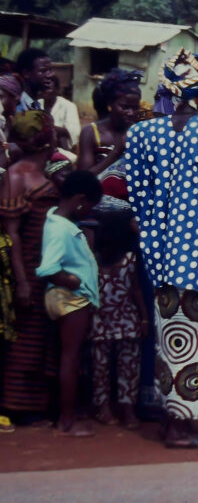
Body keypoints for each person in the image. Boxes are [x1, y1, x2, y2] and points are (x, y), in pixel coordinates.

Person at [125, 59, 198, 449]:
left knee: (170, 339)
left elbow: (137, 198)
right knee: (197, 340)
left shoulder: (141, 134)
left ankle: (178, 420)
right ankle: (178, 427)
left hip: (159, 253)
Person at [0, 111, 61, 424]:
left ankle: (37, 405)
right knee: (26, 338)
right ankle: (18, 406)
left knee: (43, 337)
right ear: (46, 138)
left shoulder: (45, 170)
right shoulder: (16, 175)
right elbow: (11, 232)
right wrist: (21, 281)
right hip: (27, 265)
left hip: (46, 265)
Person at [36, 170, 103, 436]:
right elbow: (48, 268)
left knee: (68, 357)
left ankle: (67, 415)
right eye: (88, 205)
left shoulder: (60, 223)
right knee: (70, 359)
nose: (87, 211)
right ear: (79, 199)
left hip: (70, 298)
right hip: (70, 299)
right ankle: (67, 420)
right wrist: (71, 280)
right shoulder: (61, 228)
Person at [89, 206, 146, 431]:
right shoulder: (93, 259)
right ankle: (104, 407)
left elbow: (136, 290)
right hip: (103, 319)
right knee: (102, 367)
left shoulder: (129, 258)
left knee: (126, 365)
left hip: (123, 319)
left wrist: (143, 320)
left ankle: (126, 407)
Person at [77, 70, 141, 177]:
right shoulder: (91, 132)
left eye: (135, 108)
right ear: (110, 103)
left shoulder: (139, 132)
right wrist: (116, 152)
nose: (131, 113)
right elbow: (83, 179)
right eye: (124, 107)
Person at [41, 76, 81, 150]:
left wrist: (47, 128)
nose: (45, 92)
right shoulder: (36, 104)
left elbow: (72, 132)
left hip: (62, 147)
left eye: (48, 88)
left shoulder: (68, 106)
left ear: (57, 90)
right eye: (43, 89)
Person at [15, 48, 54, 114]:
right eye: (43, 70)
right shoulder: (17, 107)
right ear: (26, 73)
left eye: (50, 70)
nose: (50, 75)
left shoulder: (36, 104)